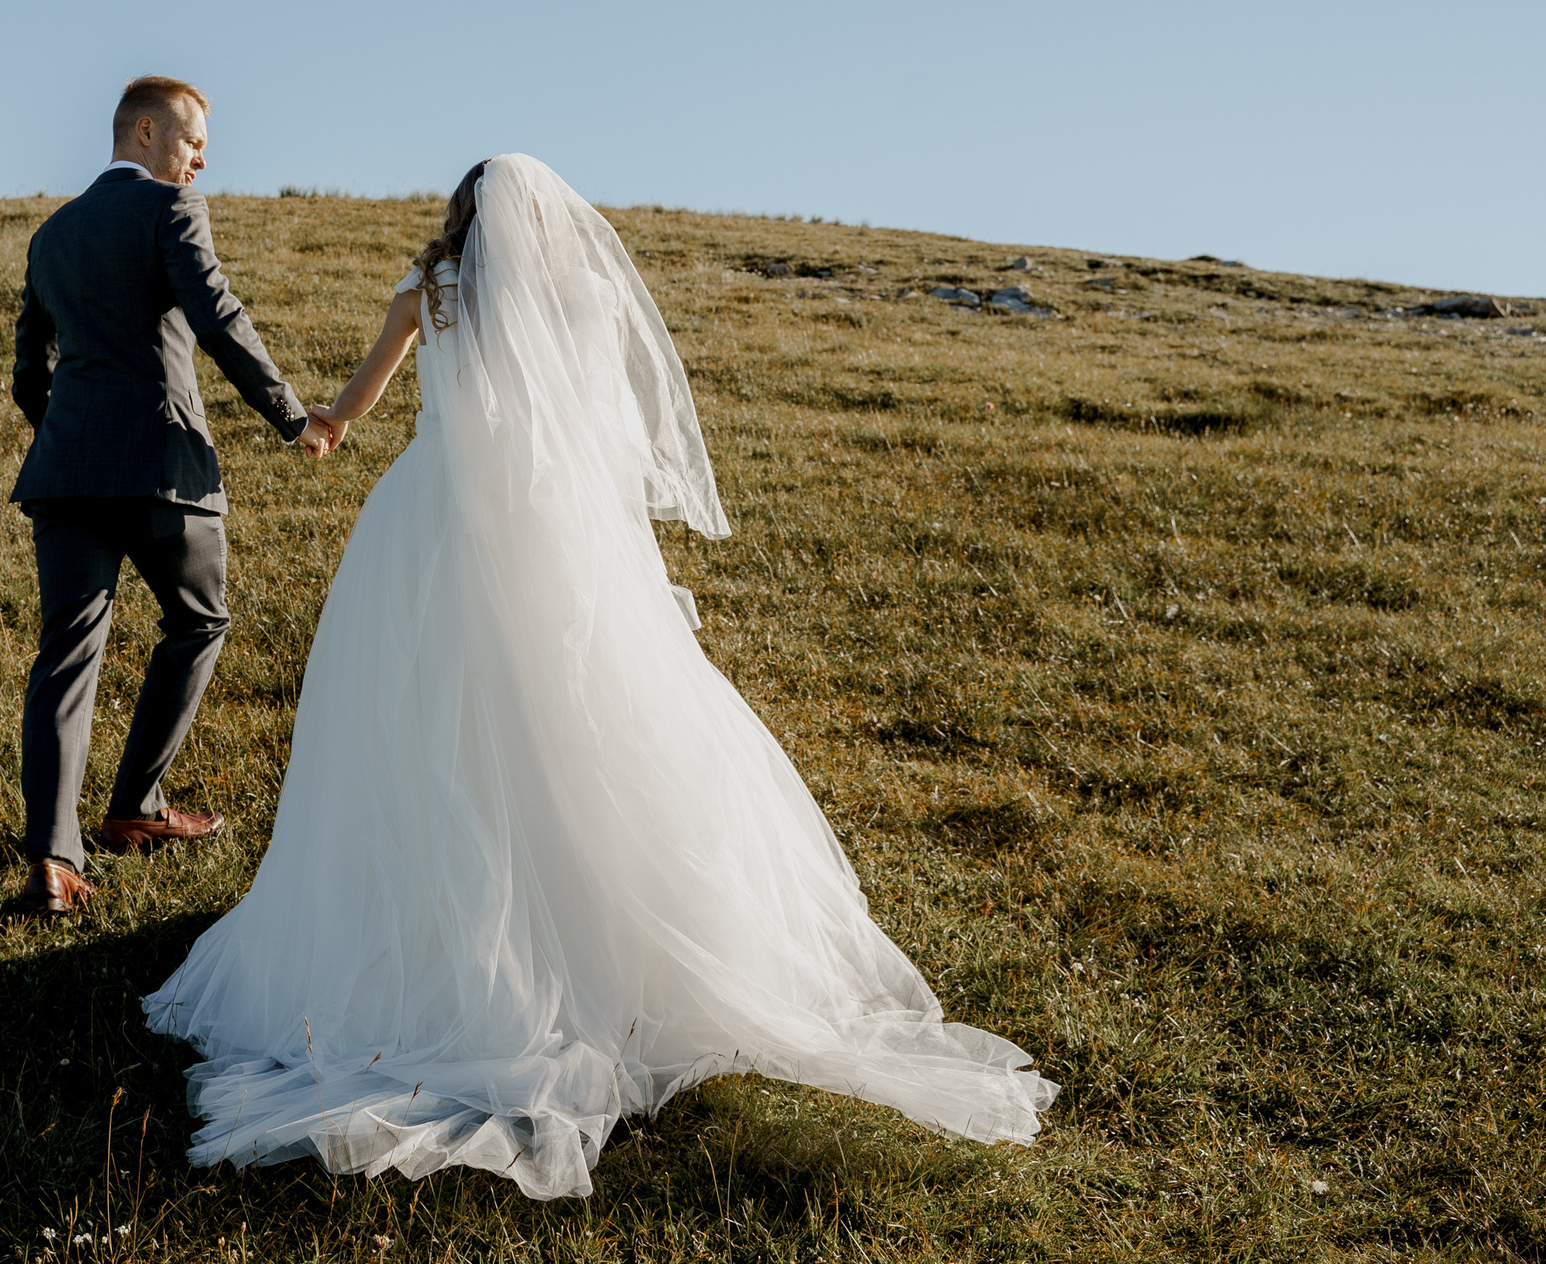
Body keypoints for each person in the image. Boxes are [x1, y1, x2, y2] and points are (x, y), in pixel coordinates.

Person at [142, 154, 1056, 1198]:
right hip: (547, 526)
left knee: (419, 717)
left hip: (430, 520)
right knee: (572, 714)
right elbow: (607, 434)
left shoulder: (425, 293)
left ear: (464, 216)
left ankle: (434, 923)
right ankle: (595, 931)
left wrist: (325, 427)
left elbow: (356, 401)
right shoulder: (586, 299)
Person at [7, 76, 340, 916]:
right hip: (165, 469)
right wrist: (294, 418)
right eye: (192, 140)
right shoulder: (170, 212)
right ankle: (135, 805)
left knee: (66, 655)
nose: (202, 157)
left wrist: (69, 437)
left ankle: (53, 859)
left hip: (67, 477)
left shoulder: (50, 236)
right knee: (200, 620)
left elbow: (27, 376)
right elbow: (218, 316)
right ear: (146, 132)